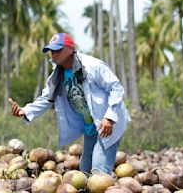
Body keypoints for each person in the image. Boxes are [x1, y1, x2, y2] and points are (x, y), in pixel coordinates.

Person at [8, 32, 130, 175]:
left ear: (70, 48)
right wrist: (25, 111)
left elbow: (116, 88)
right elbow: (46, 99)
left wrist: (109, 118)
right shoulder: (56, 76)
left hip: (108, 124)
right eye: (51, 51)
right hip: (91, 127)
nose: (54, 54)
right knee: (84, 171)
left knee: (99, 172)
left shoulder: (92, 66)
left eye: (58, 50)